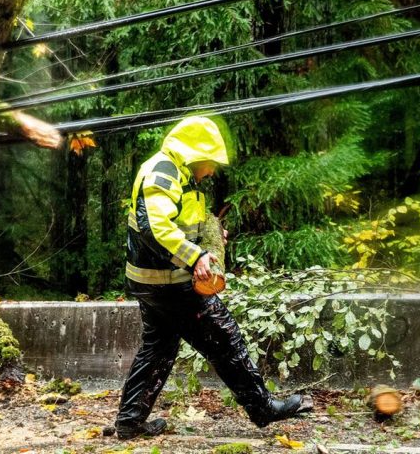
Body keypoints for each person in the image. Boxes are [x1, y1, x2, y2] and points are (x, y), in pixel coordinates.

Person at [114, 115, 312, 440]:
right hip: (170, 284)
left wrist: (211, 239)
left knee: (158, 349)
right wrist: (197, 256)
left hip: (154, 282)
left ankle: (129, 421)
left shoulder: (176, 175)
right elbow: (154, 225)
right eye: (211, 163)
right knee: (226, 338)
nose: (213, 170)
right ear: (196, 154)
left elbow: (179, 224)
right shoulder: (162, 171)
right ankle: (262, 408)